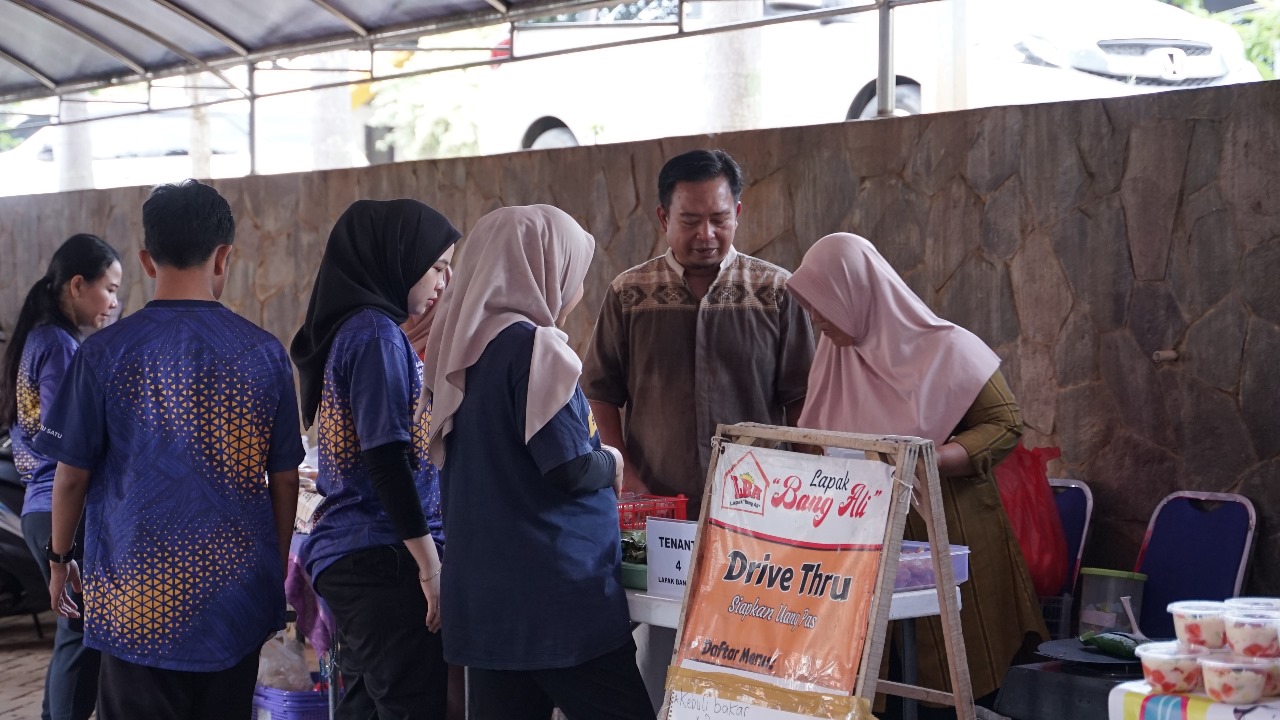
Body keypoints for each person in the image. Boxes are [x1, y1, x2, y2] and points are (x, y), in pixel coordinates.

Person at [33, 180, 304, 720]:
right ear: (223, 256)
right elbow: (286, 479)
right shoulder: (264, 354)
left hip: (136, 599)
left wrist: (60, 560)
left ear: (146, 260)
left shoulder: (103, 354)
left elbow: (71, 476)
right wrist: (271, 574)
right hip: (232, 598)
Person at [785, 233, 1049, 717]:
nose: (816, 319)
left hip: (946, 526)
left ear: (859, 294)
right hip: (862, 542)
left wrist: (925, 460)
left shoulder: (948, 348)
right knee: (879, 678)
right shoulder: (834, 358)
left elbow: (1004, 423)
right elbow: (815, 438)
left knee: (957, 675)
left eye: (824, 305)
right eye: (812, 306)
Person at [425, 205, 654, 720]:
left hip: (487, 599)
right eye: (574, 271)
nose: (577, 290)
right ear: (542, 267)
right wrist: (612, 461)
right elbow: (569, 467)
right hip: (555, 597)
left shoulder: (456, 350)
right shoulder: (534, 347)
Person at [290, 199, 460, 719]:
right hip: (382, 557)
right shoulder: (375, 334)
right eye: (437, 267)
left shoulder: (366, 330)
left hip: (365, 555)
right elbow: (386, 459)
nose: (445, 282)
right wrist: (429, 566)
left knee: (367, 706)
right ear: (397, 259)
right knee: (411, 706)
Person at [582, 148, 815, 517]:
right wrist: (625, 476)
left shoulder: (776, 292)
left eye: (719, 219)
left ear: (737, 213)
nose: (706, 234)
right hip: (658, 503)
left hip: (761, 505)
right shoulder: (628, 294)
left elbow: (802, 399)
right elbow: (599, 396)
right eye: (690, 221)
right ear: (663, 218)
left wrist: (807, 487)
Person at [1, 233, 120, 720]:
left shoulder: (38, 340)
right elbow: (68, 436)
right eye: (109, 288)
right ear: (77, 285)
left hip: (39, 504)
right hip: (61, 506)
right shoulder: (59, 345)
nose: (113, 302)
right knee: (83, 633)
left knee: (75, 630)